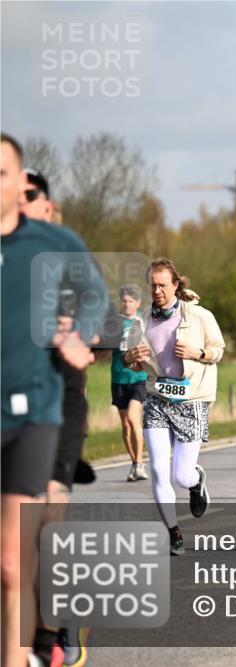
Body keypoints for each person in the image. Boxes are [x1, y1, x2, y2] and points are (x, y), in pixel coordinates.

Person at [2, 133, 107, 667]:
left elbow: (109, 319)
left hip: (58, 405)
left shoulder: (62, 254)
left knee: (47, 521)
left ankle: (50, 636)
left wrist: (80, 337)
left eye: (28, 196)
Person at [122, 258, 224, 556]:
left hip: (191, 400)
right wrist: (131, 357)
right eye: (152, 285)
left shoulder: (199, 315)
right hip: (156, 398)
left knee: (181, 475)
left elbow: (218, 350)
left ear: (176, 285)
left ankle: (196, 481)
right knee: (156, 468)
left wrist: (197, 352)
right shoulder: (141, 321)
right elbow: (129, 360)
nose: (157, 291)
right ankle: (172, 531)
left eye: (163, 285)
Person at [112, 284, 150, 481]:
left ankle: (140, 465)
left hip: (138, 377)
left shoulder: (142, 322)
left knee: (134, 418)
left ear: (138, 303)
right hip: (118, 378)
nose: (127, 304)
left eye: (131, 301)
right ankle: (134, 462)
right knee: (125, 425)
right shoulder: (113, 323)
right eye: (124, 300)